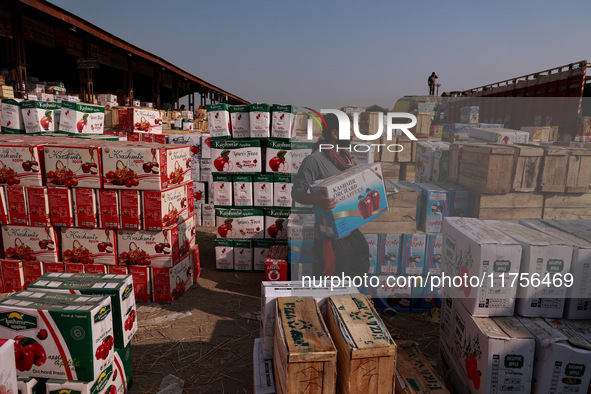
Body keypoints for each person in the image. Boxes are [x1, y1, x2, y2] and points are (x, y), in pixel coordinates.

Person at [292, 113, 370, 278]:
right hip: (330, 236)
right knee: (335, 278)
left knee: (360, 262)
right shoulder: (314, 160)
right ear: (335, 134)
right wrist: (316, 200)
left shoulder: (344, 157)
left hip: (350, 227)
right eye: (349, 130)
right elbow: (297, 193)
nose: (352, 134)